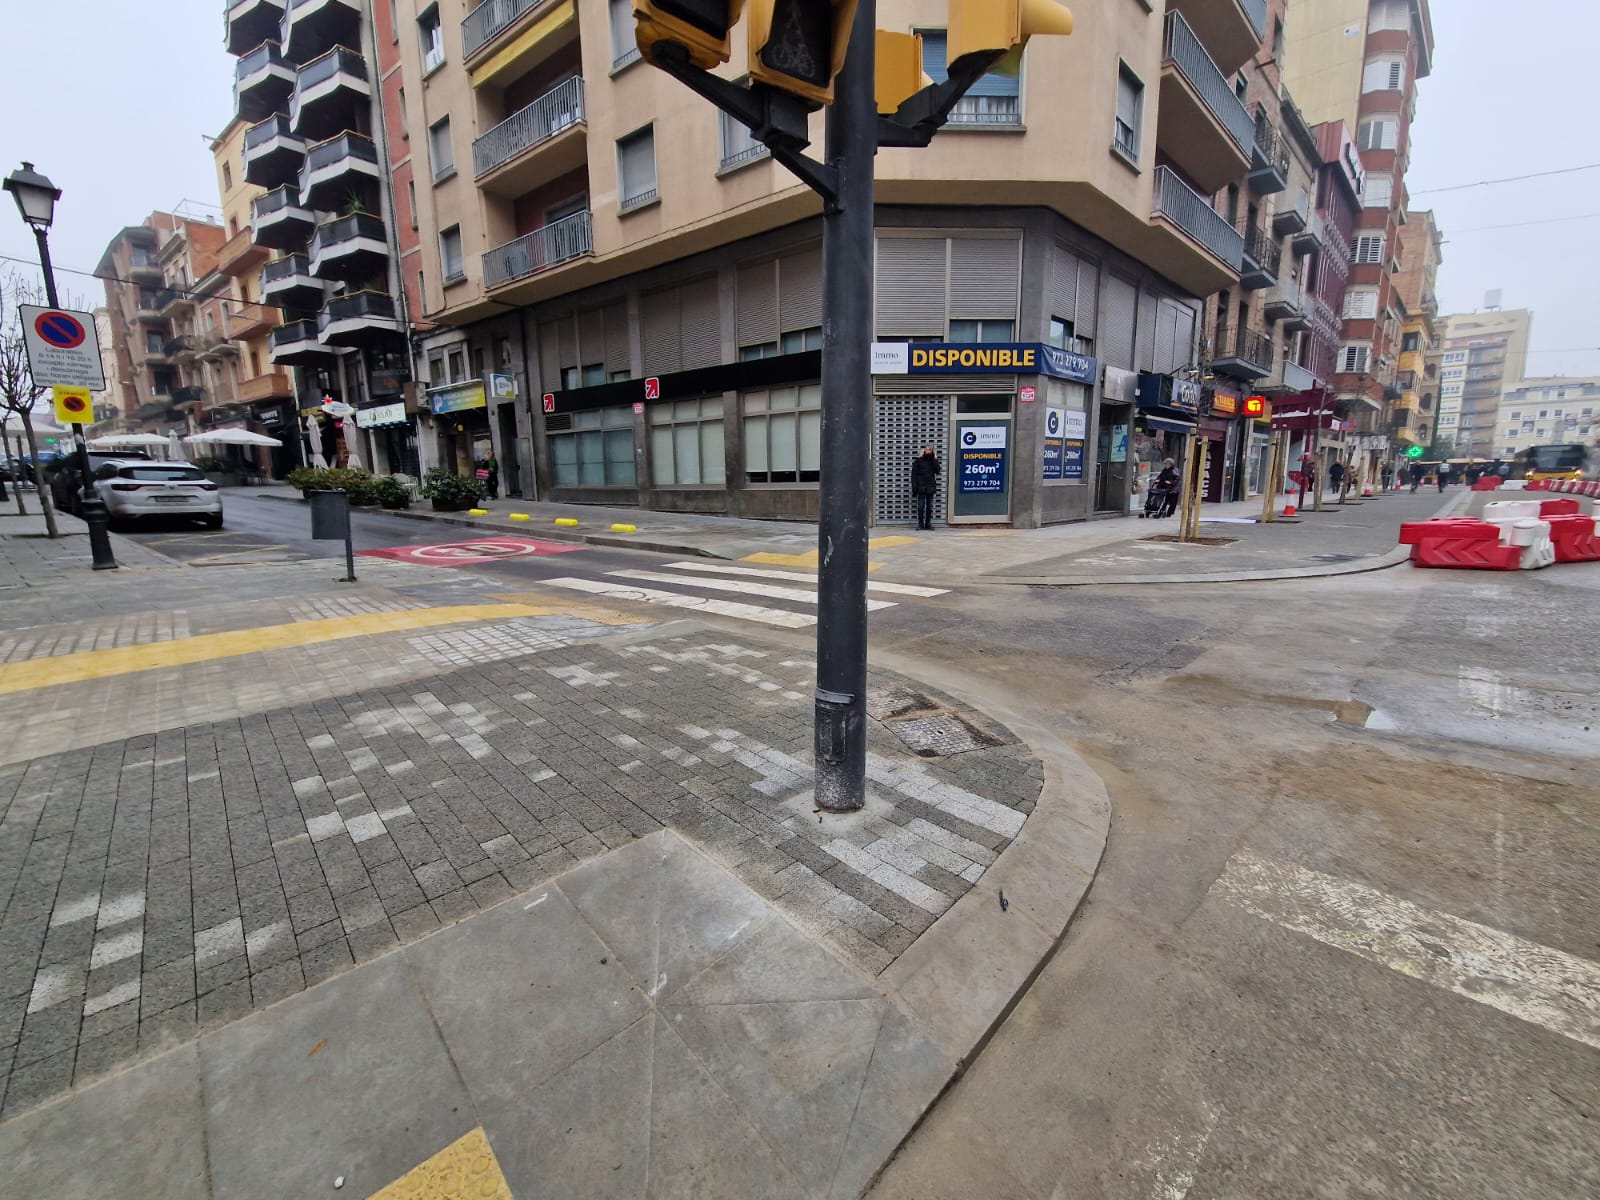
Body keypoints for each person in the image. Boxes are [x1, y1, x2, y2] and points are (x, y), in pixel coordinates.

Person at [910, 445, 940, 530]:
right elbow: (913, 475)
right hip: (921, 487)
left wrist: (934, 458)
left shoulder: (933, 461)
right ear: (923, 451)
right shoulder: (918, 461)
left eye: (930, 450)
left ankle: (928, 524)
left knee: (929, 507)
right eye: (926, 449)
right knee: (920, 507)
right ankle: (920, 524)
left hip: (930, 487)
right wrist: (914, 486)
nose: (928, 451)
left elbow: (937, 470)